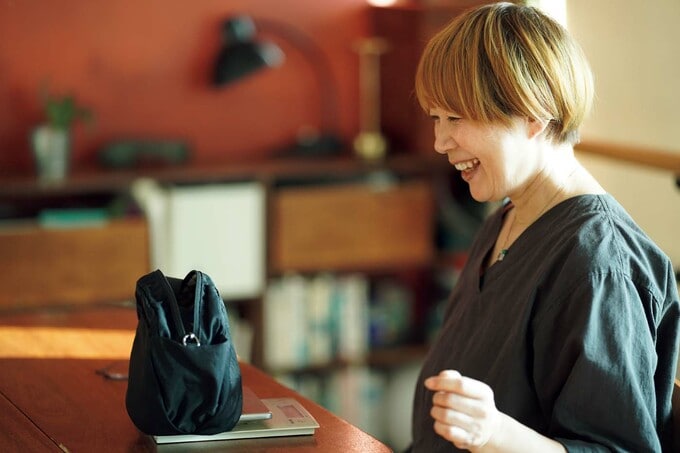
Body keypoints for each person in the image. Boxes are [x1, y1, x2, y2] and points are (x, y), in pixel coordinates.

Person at [409, 2, 680, 452]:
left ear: (534, 113)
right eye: (436, 118)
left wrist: (494, 434)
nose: (440, 141)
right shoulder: (507, 219)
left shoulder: (598, 265)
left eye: (456, 118)